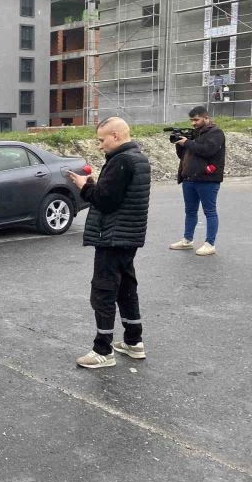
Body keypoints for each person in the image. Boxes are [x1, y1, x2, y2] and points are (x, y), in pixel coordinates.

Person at [67, 117, 151, 369]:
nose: (100, 145)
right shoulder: (137, 157)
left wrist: (85, 187)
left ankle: (102, 350)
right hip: (128, 236)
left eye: (102, 140)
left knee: (103, 291)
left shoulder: (121, 161)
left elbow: (106, 201)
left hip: (113, 235)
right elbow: (116, 195)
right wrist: (97, 186)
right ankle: (133, 342)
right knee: (126, 287)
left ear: (115, 136)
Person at [169, 106, 225, 256]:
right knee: (190, 211)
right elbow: (185, 156)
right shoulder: (193, 134)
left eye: (196, 119)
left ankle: (210, 244)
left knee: (210, 212)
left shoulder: (216, 133)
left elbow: (207, 150)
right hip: (189, 178)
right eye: (191, 120)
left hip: (208, 179)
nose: (193, 123)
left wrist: (187, 142)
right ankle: (187, 240)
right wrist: (179, 144)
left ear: (206, 118)